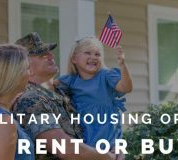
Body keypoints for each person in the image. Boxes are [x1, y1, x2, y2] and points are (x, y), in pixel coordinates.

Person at [12, 32, 115, 160]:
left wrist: (113, 146)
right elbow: (65, 148)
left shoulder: (64, 91)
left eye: (49, 52)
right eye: (42, 55)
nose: (50, 55)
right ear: (26, 66)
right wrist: (107, 157)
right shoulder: (30, 100)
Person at [56, 37, 133, 151]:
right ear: (74, 59)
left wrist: (122, 65)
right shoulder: (71, 80)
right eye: (87, 53)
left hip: (108, 143)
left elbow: (126, 87)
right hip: (84, 143)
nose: (93, 57)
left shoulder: (106, 76)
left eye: (97, 54)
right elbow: (48, 85)